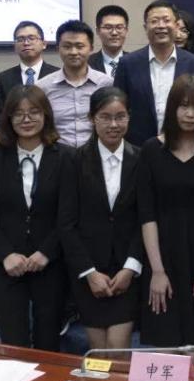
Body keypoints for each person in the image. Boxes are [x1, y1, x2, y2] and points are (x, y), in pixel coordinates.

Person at [0, 85, 71, 350]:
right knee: (13, 341)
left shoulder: (66, 158)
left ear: (46, 115)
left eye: (34, 112)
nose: (26, 119)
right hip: (8, 263)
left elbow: (69, 215)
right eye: (18, 113)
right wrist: (6, 254)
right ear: (8, 118)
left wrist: (47, 252)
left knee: (48, 340)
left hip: (50, 262)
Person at [138, 74, 194, 354]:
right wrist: (157, 271)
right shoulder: (151, 150)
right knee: (165, 352)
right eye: (184, 106)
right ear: (172, 107)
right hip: (162, 256)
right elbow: (147, 216)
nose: (190, 114)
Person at [58, 87, 143, 351]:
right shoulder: (74, 161)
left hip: (126, 270)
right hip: (88, 270)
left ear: (129, 117)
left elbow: (146, 220)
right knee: (98, 354)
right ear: (92, 119)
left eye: (120, 117)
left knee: (117, 350)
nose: (113, 125)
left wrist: (131, 267)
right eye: (105, 117)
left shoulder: (141, 159)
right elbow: (66, 223)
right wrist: (89, 272)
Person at [113, 0, 194, 147]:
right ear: (145, 27)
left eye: (166, 20)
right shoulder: (127, 64)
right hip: (138, 148)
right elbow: (119, 107)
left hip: (183, 146)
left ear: (176, 25)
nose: (161, 25)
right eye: (154, 21)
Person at [37, 19, 113, 148]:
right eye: (67, 46)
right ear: (58, 49)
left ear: (91, 48)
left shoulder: (107, 84)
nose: (73, 52)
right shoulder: (42, 87)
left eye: (79, 46)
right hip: (57, 155)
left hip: (96, 154)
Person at [0, 21, 59, 128]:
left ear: (44, 44)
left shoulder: (57, 75)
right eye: (20, 39)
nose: (26, 43)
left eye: (31, 38)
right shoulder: (3, 78)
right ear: (15, 46)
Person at [88, 5, 130, 77]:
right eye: (108, 27)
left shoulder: (137, 63)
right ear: (97, 31)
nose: (114, 33)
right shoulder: (87, 64)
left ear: (126, 30)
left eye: (119, 27)